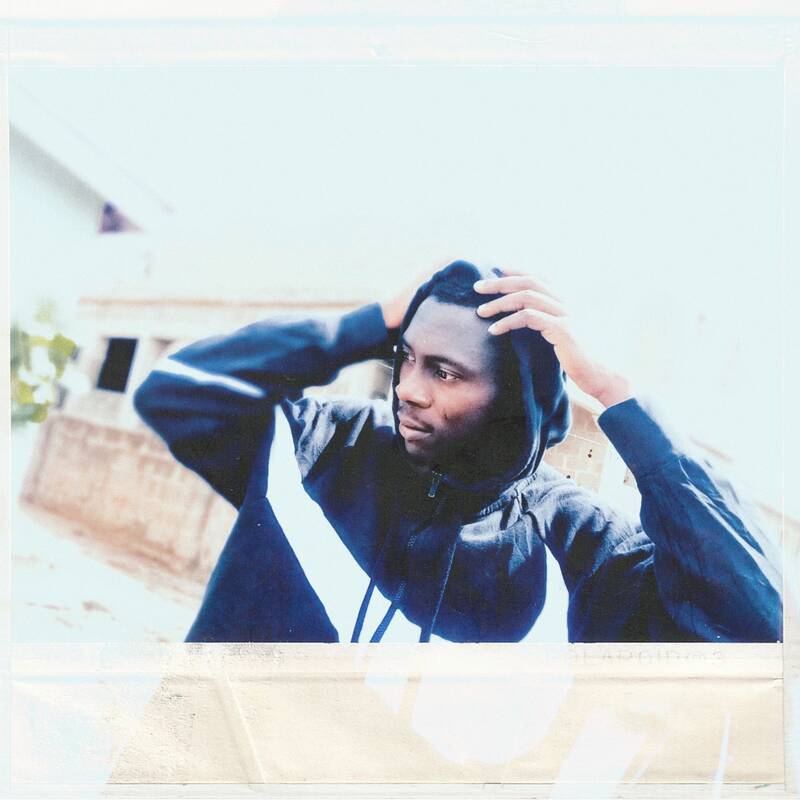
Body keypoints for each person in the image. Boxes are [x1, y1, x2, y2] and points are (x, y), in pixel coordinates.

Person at [133, 260, 782, 643]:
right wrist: (374, 323)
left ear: (513, 403)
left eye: (445, 372)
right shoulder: (322, 446)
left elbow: (755, 619)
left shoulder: (580, 548)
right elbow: (175, 394)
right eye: (405, 358)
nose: (407, 389)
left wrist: (616, 393)